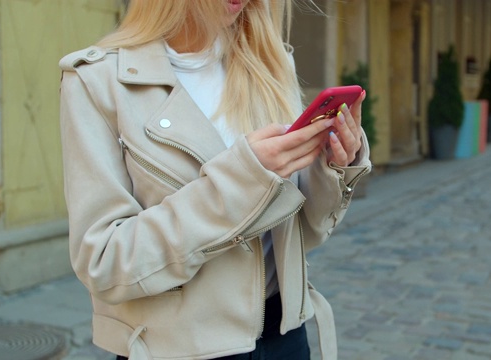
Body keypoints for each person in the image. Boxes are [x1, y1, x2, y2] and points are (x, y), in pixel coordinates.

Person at [58, 0, 371, 359]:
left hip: (286, 337)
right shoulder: (96, 80)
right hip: (176, 349)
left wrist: (330, 166)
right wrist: (242, 183)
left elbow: (304, 233)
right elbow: (104, 262)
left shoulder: (270, 62)